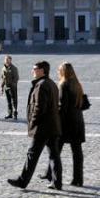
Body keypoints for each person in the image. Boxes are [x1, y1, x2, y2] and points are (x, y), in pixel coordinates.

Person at [7, 61, 63, 191]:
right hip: (53, 125)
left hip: (43, 127)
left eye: (35, 69)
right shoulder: (51, 84)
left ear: (42, 70)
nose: (33, 71)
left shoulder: (41, 85)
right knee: (54, 156)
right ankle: (57, 182)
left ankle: (22, 181)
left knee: (32, 155)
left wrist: (32, 122)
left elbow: (39, 107)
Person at [44, 62, 86, 187]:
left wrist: (55, 120)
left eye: (59, 70)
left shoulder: (64, 85)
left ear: (64, 72)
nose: (58, 72)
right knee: (77, 152)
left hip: (66, 123)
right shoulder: (77, 84)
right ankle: (78, 179)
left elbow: (63, 107)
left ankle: (52, 176)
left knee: (55, 150)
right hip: (78, 121)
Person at [0, 55, 20, 120]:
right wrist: (1, 87)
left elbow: (16, 78)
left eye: (8, 59)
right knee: (8, 101)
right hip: (6, 87)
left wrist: (12, 85)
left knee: (14, 101)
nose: (6, 61)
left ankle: (15, 114)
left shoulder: (14, 68)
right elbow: (3, 78)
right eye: (5, 59)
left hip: (12, 87)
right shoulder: (3, 68)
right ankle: (10, 114)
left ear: (10, 60)